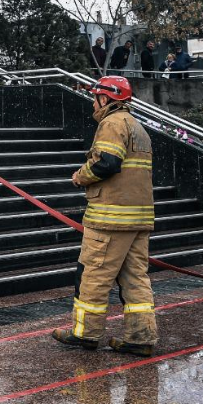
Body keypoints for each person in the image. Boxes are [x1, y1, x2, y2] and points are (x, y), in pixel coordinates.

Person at [52, 75, 158, 357]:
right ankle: (141, 337)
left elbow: (107, 163)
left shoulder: (111, 123)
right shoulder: (137, 127)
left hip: (111, 218)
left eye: (95, 97)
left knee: (93, 276)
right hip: (138, 218)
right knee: (135, 279)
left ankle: (85, 333)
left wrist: (80, 176)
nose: (93, 102)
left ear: (106, 98)